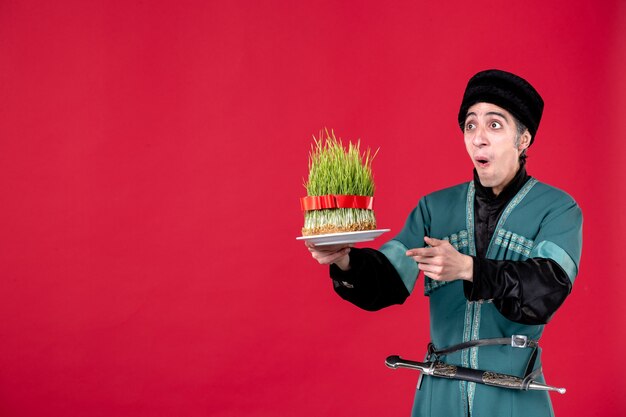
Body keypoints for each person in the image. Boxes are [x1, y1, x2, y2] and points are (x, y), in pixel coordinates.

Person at [305, 69, 583, 417]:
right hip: (439, 392)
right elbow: (389, 278)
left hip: (513, 393)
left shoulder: (557, 208)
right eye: (470, 125)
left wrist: (468, 268)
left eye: (494, 125)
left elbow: (548, 285)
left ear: (523, 139)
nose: (478, 138)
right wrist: (344, 260)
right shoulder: (434, 209)